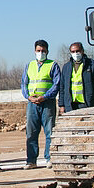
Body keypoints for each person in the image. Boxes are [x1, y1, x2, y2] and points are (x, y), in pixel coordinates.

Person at [22, 39, 60, 168]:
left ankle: (49, 158)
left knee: (49, 131)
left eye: (43, 51)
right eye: (38, 50)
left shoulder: (53, 65)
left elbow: (56, 84)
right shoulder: (29, 65)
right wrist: (28, 97)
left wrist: (45, 96)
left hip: (47, 103)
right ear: (34, 51)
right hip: (32, 104)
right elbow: (24, 83)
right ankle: (31, 160)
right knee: (31, 133)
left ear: (47, 51)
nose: (40, 53)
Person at [59, 42, 94, 114]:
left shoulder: (92, 65)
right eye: (73, 52)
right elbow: (62, 87)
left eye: (77, 51)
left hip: (87, 104)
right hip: (71, 105)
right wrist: (62, 105)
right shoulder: (66, 67)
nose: (75, 53)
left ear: (82, 51)